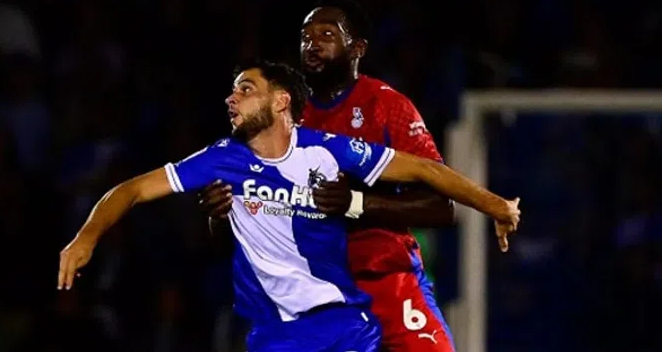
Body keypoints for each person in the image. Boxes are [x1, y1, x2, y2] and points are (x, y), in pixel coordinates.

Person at [58, 60, 520, 352]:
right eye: (232, 91)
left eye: (245, 89)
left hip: (345, 325)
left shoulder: (327, 150)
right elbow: (133, 190)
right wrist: (85, 238)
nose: (231, 98)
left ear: (281, 102)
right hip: (274, 334)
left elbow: (423, 170)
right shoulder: (221, 159)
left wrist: (496, 205)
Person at [201, 0, 514, 351]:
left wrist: (355, 204)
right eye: (305, 36)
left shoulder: (387, 107)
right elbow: (247, 223)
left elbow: (442, 209)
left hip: (388, 282)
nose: (312, 44)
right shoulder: (278, 118)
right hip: (311, 296)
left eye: (326, 34)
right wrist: (220, 213)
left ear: (357, 48)